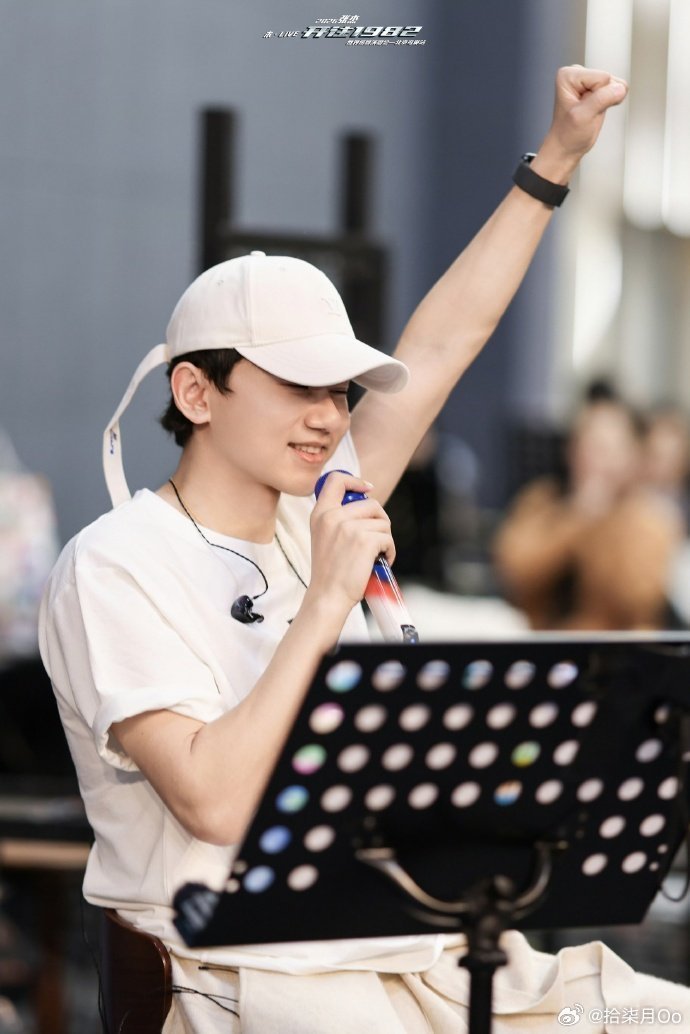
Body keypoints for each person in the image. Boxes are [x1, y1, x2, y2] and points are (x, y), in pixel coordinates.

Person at [39, 67, 690, 1032]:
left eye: (340, 389)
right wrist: (323, 608)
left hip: (411, 949)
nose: (329, 415)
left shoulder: (312, 509)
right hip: (244, 976)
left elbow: (444, 343)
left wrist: (556, 158)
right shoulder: (115, 564)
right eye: (297, 385)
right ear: (196, 393)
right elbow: (213, 802)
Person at [493, 393, 683, 630]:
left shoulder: (648, 517)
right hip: (544, 638)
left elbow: (632, 599)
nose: (593, 459)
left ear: (632, 456)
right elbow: (513, 574)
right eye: (586, 445)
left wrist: (601, 525)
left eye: (606, 449)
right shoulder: (543, 500)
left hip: (617, 646)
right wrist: (575, 519)